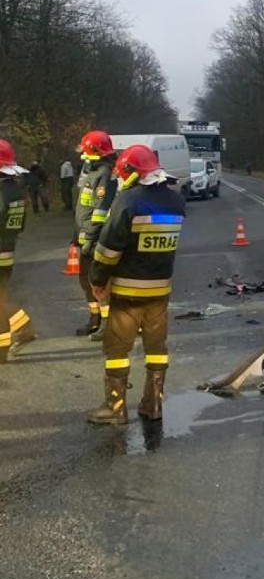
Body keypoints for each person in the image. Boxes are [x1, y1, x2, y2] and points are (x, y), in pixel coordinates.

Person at [87, 144, 185, 425]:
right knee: (156, 346)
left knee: (117, 350)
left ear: (130, 172)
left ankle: (116, 408)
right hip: (160, 290)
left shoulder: (127, 201)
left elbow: (108, 249)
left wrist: (97, 280)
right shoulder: (176, 201)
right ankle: (153, 404)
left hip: (128, 292)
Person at [74, 131, 118, 338]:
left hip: (95, 239)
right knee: (85, 281)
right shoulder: (92, 173)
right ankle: (94, 319)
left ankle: (107, 324)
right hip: (84, 236)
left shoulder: (104, 175)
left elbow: (100, 212)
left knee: (99, 283)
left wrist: (90, 239)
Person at [0, 140, 37, 363]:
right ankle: (2, 351)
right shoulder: (15, 190)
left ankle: (23, 327)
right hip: (7, 251)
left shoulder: (2, 191)